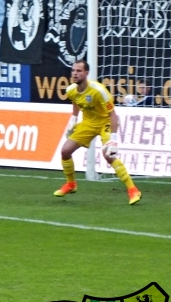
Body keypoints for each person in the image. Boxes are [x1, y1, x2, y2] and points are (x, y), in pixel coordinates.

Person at [55, 60, 141, 205]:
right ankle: (71, 184)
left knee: (108, 154)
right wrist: (74, 118)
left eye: (79, 71)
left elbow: (113, 114)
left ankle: (133, 189)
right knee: (65, 151)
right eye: (73, 71)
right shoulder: (70, 90)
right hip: (88, 124)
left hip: (104, 122)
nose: (75, 73)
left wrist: (113, 139)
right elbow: (76, 101)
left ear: (86, 73)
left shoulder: (99, 91)